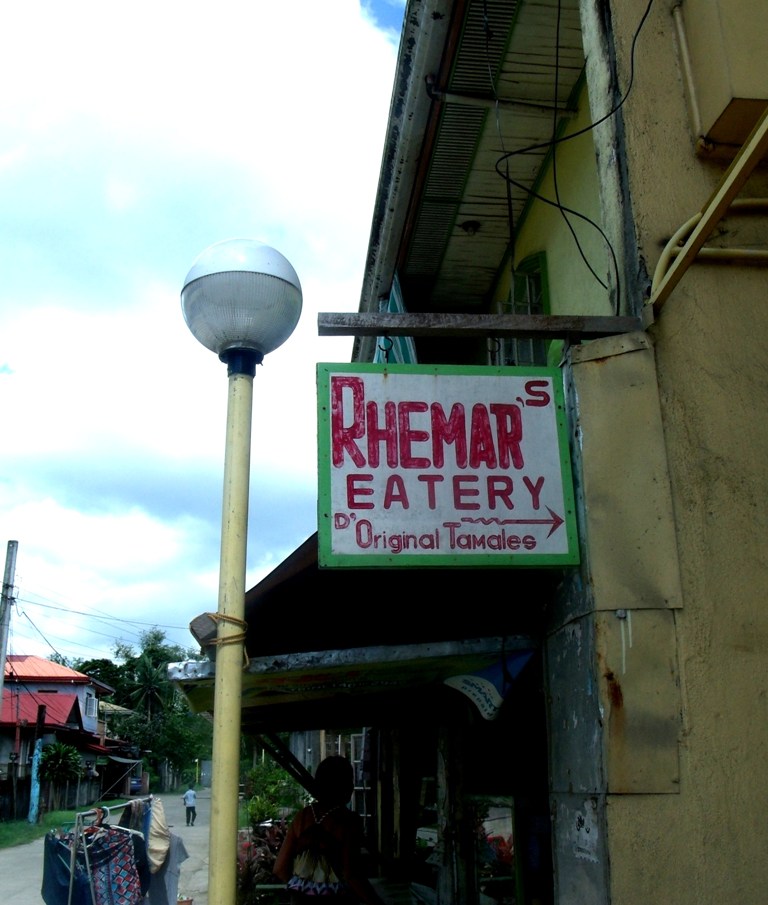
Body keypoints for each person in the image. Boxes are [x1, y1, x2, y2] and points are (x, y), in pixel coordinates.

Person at [273, 756, 385, 905]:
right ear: (344, 787)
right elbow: (351, 874)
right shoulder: (348, 821)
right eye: (350, 781)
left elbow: (279, 868)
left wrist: (302, 886)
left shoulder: (302, 817)